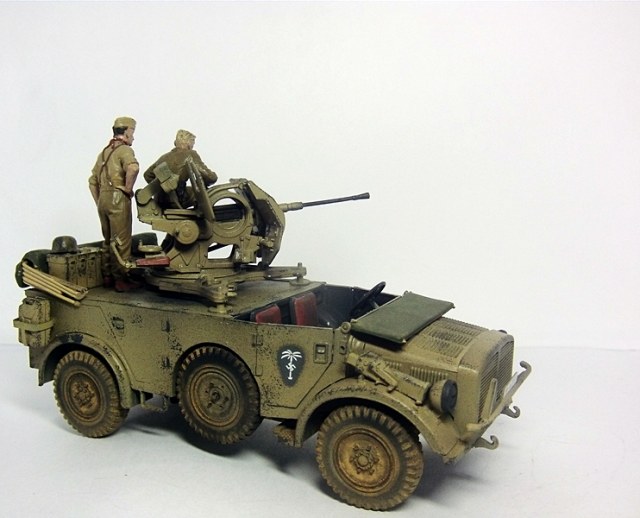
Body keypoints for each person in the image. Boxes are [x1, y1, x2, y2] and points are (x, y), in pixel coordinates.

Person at [89, 116, 140, 292]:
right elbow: (133, 168)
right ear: (126, 132)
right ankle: (121, 279)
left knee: (107, 241)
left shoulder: (103, 152)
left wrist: (99, 201)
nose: (133, 136)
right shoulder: (124, 150)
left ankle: (107, 276)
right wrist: (127, 189)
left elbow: (92, 181)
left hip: (103, 199)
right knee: (121, 242)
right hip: (118, 199)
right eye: (132, 132)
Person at [143, 129, 217, 209]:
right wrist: (210, 178)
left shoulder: (163, 157)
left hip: (160, 201)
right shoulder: (191, 154)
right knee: (205, 192)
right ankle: (202, 214)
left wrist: (163, 188)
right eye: (193, 143)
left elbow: (147, 175)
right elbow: (210, 177)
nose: (192, 146)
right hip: (178, 199)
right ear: (188, 143)